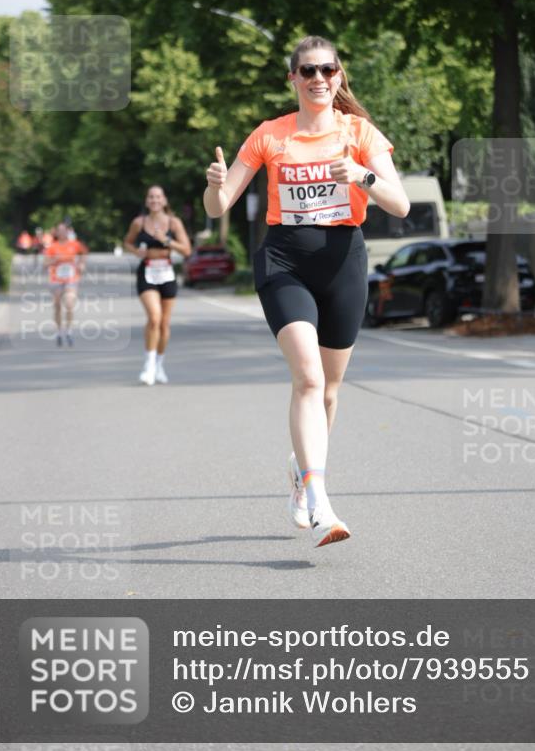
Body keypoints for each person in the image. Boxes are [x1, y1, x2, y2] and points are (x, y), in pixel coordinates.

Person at [203, 35, 410, 547]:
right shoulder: (271, 135)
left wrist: (361, 175)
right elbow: (218, 206)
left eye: (328, 70)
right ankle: (320, 500)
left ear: (339, 76)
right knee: (309, 379)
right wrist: (213, 184)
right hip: (284, 262)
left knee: (331, 391)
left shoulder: (359, 133)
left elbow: (400, 204)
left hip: (343, 263)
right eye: (308, 71)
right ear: (292, 79)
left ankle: (301, 472)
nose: (319, 79)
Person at [123, 186, 191, 386]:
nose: (154, 200)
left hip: (167, 273)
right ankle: (149, 366)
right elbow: (127, 242)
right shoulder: (139, 223)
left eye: (158, 197)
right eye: (151, 197)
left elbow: (187, 250)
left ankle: (160, 364)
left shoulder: (174, 222)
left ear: (164, 200)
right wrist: (136, 252)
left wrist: (167, 240)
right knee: (154, 318)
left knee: (164, 324)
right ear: (147, 201)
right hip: (147, 272)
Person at [44, 223, 88, 346]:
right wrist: (54, 260)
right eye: (60, 231)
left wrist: (81, 264)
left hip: (71, 278)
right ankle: (59, 331)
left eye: (64, 230)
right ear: (57, 233)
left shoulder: (75, 244)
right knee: (57, 306)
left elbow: (84, 253)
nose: (62, 233)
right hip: (56, 279)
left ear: (67, 232)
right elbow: (45, 264)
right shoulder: (52, 247)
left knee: (69, 304)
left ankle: (69, 330)